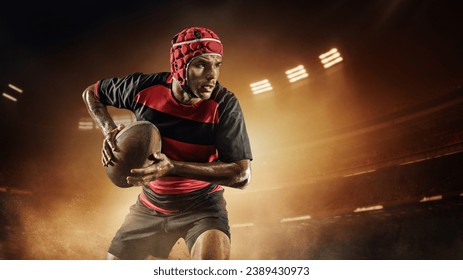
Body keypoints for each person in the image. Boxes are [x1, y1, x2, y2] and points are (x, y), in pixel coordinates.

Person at [82, 27, 253, 260]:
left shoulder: (225, 104)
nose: (213, 75)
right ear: (179, 66)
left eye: (217, 64)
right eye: (202, 64)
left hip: (203, 206)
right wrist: (109, 131)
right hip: (149, 206)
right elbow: (91, 94)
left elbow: (241, 176)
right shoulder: (142, 88)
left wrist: (173, 167)